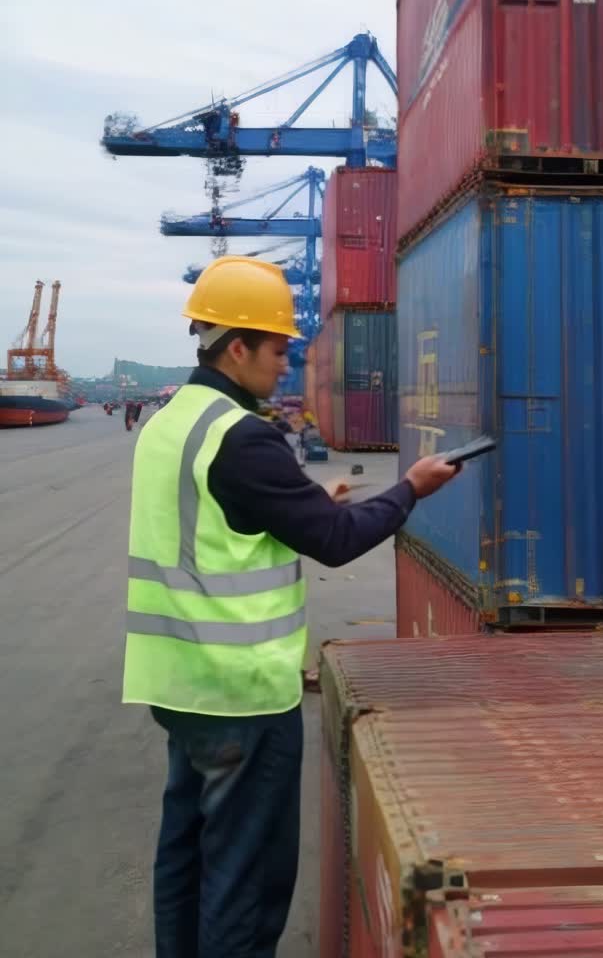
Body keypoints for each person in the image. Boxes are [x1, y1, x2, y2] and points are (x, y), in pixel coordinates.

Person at [121, 256, 460, 958]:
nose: (288, 366)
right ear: (237, 346)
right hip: (243, 692)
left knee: (184, 853)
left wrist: (302, 507)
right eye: (279, 350)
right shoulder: (244, 436)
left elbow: (219, 523)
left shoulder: (169, 422)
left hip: (177, 681)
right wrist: (411, 490)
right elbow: (336, 543)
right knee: (247, 879)